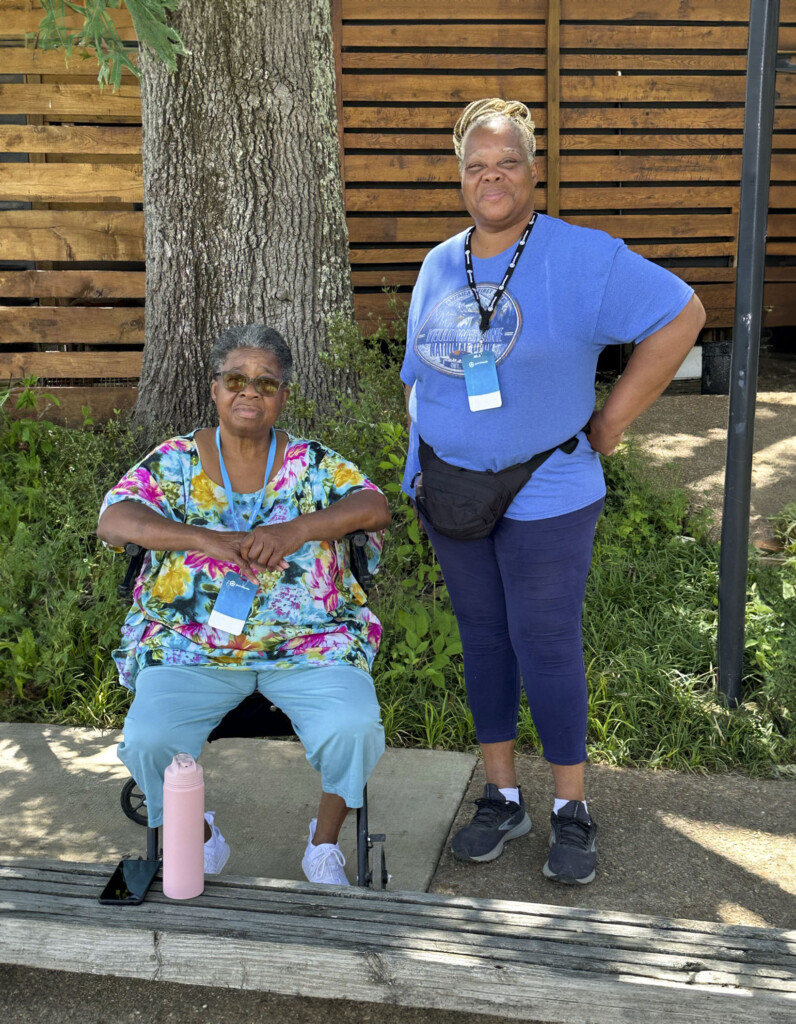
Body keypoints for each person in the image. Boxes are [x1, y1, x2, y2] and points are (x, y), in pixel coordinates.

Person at [401, 99, 706, 884]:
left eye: (506, 162)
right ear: (460, 176)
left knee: (545, 643)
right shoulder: (441, 263)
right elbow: (418, 380)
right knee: (484, 640)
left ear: (533, 171)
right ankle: (503, 795)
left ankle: (571, 807)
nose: (490, 176)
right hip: (453, 489)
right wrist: (416, 467)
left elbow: (683, 313)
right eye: (476, 165)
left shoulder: (584, 257)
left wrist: (611, 421)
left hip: (548, 487)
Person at [98, 324, 391, 886]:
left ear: (282, 395)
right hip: (191, 646)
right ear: (214, 388)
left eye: (265, 382)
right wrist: (201, 538)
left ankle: (324, 845)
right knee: (149, 740)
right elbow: (114, 519)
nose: (249, 392)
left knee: (354, 727)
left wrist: (297, 529)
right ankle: (197, 833)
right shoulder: (176, 462)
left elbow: (373, 505)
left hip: (309, 642)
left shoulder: (310, 464)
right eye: (235, 379)